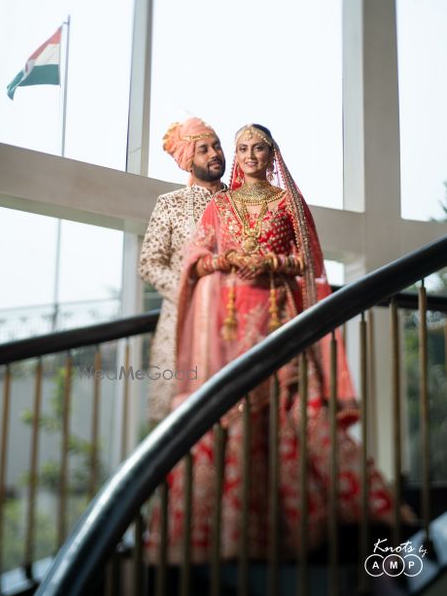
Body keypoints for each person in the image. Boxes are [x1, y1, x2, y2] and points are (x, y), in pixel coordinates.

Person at [147, 124, 402, 563]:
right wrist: (219, 263)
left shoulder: (286, 202)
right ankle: (224, 533)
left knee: (293, 403)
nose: (242, 155)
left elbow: (309, 262)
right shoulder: (204, 205)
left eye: (253, 148)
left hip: (276, 312)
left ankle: (318, 523)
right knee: (224, 410)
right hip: (216, 325)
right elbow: (184, 259)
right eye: (239, 147)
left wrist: (272, 261)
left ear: (271, 154)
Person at [138, 117, 226, 425]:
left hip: (231, 320)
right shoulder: (171, 204)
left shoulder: (238, 203)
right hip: (182, 319)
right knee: (178, 421)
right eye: (203, 149)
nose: (214, 153)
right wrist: (191, 293)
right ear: (189, 160)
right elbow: (149, 262)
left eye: (217, 146)